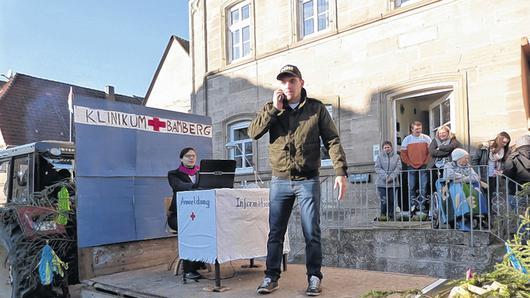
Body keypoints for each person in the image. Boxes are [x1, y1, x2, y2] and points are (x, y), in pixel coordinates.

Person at [248, 64, 348, 296]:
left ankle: (314, 277)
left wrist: (340, 172)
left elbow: (331, 139)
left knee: (311, 230)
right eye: (283, 81)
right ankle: (271, 277)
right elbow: (253, 133)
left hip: (308, 180)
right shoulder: (272, 109)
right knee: (275, 232)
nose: (287, 85)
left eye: (292, 81)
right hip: (280, 180)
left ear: (301, 83)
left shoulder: (316, 108)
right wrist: (274, 109)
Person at [167, 147, 204, 280]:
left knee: (207, 225)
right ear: (181, 159)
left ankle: (200, 260)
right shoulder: (173, 174)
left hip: (198, 214)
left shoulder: (202, 173)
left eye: (193, 155)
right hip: (177, 216)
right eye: (188, 156)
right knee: (190, 227)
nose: (191, 158)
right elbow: (179, 186)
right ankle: (188, 270)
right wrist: (197, 186)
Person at [400, 121, 431, 214]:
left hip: (423, 166)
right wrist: (409, 163)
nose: (418, 130)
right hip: (411, 167)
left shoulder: (427, 138)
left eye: (420, 128)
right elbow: (403, 154)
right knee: (411, 187)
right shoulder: (407, 139)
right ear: (412, 129)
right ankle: (412, 207)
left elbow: (430, 152)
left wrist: (426, 163)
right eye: (416, 129)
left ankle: (421, 207)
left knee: (423, 187)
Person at [472, 131, 511, 197]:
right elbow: (474, 161)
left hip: (494, 177)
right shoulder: (484, 147)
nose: (505, 144)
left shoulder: (505, 150)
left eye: (507, 143)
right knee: (482, 196)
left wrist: (502, 170)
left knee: (490, 196)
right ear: (498, 140)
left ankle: (489, 207)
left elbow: (504, 163)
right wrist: (477, 174)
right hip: (483, 176)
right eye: (504, 142)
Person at [374, 141, 401, 219]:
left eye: (388, 147)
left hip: (393, 183)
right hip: (382, 183)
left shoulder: (397, 157)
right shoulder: (379, 157)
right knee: (384, 201)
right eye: (385, 147)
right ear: (383, 149)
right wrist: (386, 177)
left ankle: (391, 216)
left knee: (392, 201)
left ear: (391, 147)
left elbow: (398, 167)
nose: (387, 149)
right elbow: (377, 168)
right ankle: (383, 217)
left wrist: (391, 177)